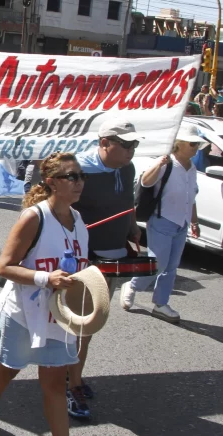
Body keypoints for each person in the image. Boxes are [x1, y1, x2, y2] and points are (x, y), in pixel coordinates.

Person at [0, 152, 96, 436]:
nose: (79, 182)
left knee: (54, 384)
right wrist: (45, 278)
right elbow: (4, 267)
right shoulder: (33, 217)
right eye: (72, 177)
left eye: (81, 176)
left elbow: (76, 266)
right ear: (52, 182)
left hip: (57, 316)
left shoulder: (79, 220)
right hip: (23, 312)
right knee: (8, 368)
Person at [71, 118, 143, 419]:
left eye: (134, 144)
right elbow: (54, 208)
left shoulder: (127, 169)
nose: (131, 150)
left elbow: (127, 202)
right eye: (125, 144)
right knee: (79, 325)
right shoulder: (79, 170)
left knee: (91, 323)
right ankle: (69, 384)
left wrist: (132, 225)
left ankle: (72, 377)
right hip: (85, 259)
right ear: (104, 143)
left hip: (114, 257)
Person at [120, 125, 203, 322]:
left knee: (172, 266)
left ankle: (160, 303)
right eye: (192, 143)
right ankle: (132, 285)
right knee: (158, 264)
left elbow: (190, 198)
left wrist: (194, 221)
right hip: (162, 220)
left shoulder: (192, 169)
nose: (196, 147)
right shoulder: (167, 164)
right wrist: (159, 164)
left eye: (198, 144)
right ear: (179, 144)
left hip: (180, 223)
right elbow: (146, 183)